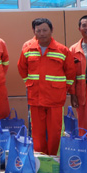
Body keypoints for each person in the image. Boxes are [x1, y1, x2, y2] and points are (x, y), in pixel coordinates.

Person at [17, 18, 75, 156]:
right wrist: (29, 83)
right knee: (37, 132)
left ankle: (54, 158)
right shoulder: (28, 50)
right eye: (38, 31)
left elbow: (71, 72)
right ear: (34, 31)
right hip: (35, 98)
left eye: (44, 30)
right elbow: (22, 68)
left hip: (55, 99)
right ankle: (40, 159)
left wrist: (63, 88)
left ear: (51, 30)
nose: (42, 33)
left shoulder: (62, 50)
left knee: (55, 131)